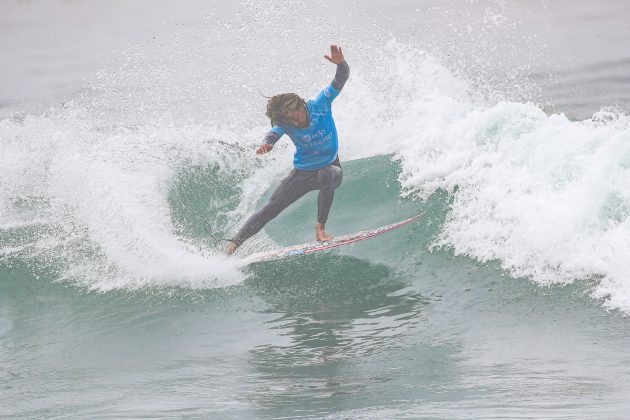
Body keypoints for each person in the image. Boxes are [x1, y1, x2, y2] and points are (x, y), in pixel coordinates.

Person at [225, 45, 349, 255]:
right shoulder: (286, 123)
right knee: (271, 208)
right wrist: (268, 143)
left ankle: (320, 227)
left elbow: (340, 79)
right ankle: (232, 246)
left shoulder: (321, 104)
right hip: (302, 174)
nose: (296, 121)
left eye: (297, 115)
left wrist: (340, 64)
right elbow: (274, 132)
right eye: (289, 120)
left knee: (327, 172)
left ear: (302, 105)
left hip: (331, 170)